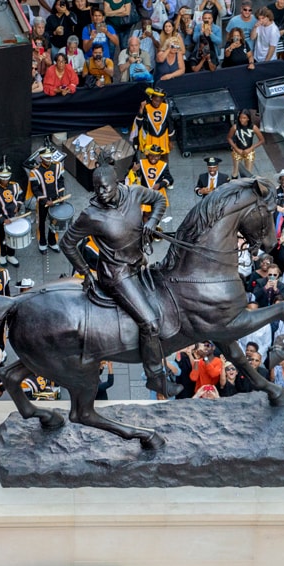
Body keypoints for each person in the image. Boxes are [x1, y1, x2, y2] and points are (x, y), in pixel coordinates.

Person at [60, 165, 175, 398]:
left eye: (105, 187)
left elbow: (159, 200)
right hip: (117, 274)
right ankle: (156, 379)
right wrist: (85, 272)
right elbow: (67, 243)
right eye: (96, 188)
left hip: (139, 262)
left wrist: (152, 221)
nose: (101, 192)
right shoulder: (91, 215)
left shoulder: (135, 193)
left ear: (118, 183)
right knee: (151, 323)